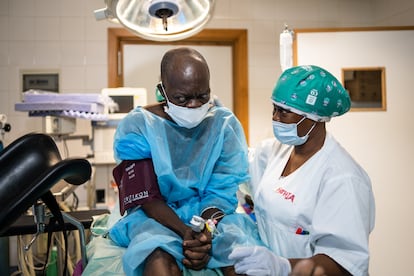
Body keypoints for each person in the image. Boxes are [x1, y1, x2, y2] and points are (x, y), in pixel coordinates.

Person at [92, 47, 260, 276]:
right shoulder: (139, 126)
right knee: (158, 259)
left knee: (240, 259)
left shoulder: (223, 125)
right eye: (182, 98)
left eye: (202, 96)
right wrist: (184, 232)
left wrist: (206, 231)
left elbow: (220, 191)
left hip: (209, 215)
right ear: (163, 90)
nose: (193, 105)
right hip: (156, 216)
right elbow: (146, 197)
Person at [229, 65, 375, 276]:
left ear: (315, 118)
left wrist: (284, 267)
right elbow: (240, 168)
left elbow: (344, 263)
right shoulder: (276, 151)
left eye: (285, 112)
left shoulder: (343, 178)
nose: (275, 118)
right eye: (275, 109)